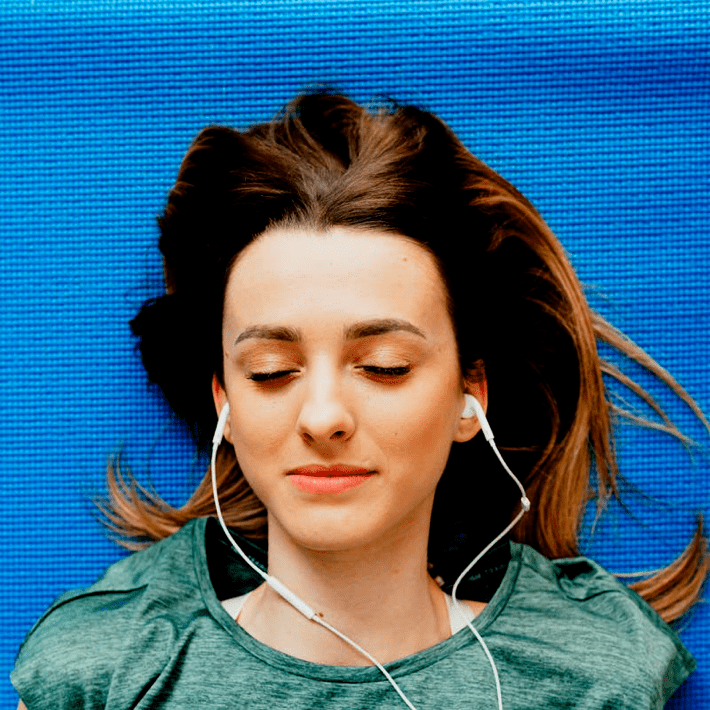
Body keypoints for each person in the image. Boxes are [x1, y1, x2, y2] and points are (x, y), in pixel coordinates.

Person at [12, 93, 708, 709]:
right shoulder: (105, 664)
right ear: (224, 401)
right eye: (270, 371)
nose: (323, 418)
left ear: (469, 396)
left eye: (383, 367)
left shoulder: (588, 674)